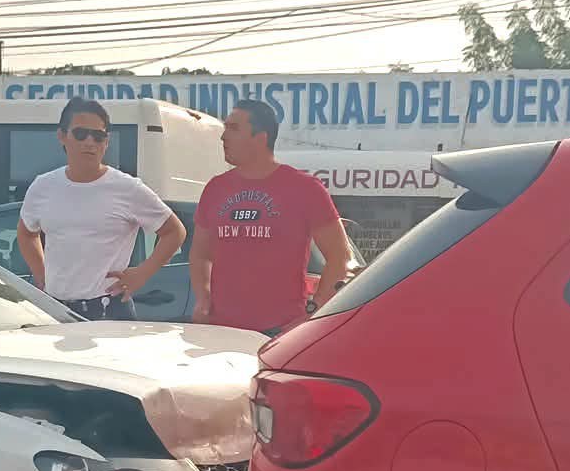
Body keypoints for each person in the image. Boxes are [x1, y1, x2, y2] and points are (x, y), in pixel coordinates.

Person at [17, 98, 186, 319]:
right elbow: (26, 233)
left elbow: (175, 232)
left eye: (98, 136)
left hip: (109, 309)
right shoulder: (43, 186)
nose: (90, 142)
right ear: (62, 136)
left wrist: (142, 274)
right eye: (80, 134)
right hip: (56, 311)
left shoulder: (127, 188)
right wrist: (41, 274)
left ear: (106, 143)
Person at [191, 98, 349, 334]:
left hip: (279, 331)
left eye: (234, 129)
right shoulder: (216, 188)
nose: (223, 137)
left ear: (260, 137)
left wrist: (314, 310)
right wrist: (203, 298)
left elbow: (340, 257)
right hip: (220, 331)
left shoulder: (305, 188)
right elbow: (200, 253)